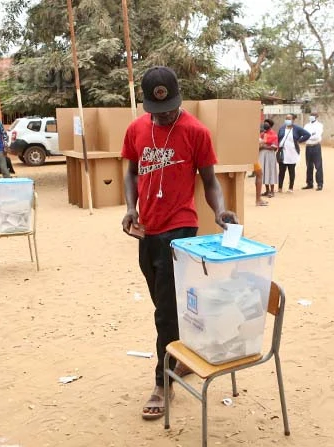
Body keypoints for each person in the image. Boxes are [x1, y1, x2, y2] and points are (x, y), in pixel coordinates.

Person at [120, 66, 239, 421]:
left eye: (170, 107)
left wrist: (219, 211)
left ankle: (162, 382)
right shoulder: (136, 130)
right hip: (148, 232)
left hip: (182, 229)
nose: (165, 114)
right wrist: (130, 208)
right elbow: (130, 171)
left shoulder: (196, 132)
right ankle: (181, 358)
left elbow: (210, 181)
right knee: (164, 304)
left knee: (166, 312)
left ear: (178, 98)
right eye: (158, 110)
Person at [277, 114, 310, 193]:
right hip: (283, 152)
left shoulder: (297, 128)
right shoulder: (282, 128)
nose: (287, 120)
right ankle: (280, 188)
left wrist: (299, 141)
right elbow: (278, 137)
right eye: (286, 118)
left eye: (289, 118)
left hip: (292, 153)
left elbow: (307, 134)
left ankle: (290, 188)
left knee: (291, 170)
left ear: (293, 120)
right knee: (281, 171)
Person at [302, 112, 324, 191]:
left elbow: (317, 136)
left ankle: (320, 184)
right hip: (308, 147)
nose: (311, 116)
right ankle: (309, 183)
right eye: (311, 115)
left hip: (316, 146)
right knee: (309, 166)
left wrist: (308, 136)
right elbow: (303, 135)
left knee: (318, 166)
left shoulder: (319, 125)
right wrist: (311, 135)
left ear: (317, 117)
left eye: (313, 115)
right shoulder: (306, 125)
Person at [258, 118, 278, 199]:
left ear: (270, 125)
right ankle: (267, 190)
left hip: (270, 155)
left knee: (270, 171)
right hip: (262, 154)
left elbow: (274, 147)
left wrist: (264, 146)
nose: (265, 124)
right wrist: (263, 146)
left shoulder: (273, 134)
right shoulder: (262, 134)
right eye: (264, 123)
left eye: (266, 123)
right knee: (264, 171)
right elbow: (258, 144)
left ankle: (272, 191)